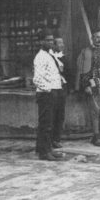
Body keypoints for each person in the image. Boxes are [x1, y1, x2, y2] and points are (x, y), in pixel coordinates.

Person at [77, 29, 100, 147]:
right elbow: (82, 70)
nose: (99, 40)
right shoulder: (85, 52)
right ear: (92, 38)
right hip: (92, 86)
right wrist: (86, 85)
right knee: (95, 113)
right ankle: (96, 137)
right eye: (97, 37)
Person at [33, 29, 65, 161]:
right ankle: (43, 152)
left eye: (52, 40)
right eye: (47, 40)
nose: (50, 42)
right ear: (41, 42)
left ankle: (48, 149)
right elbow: (37, 79)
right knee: (45, 124)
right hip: (46, 94)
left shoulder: (50, 55)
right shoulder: (40, 57)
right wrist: (50, 90)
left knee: (51, 123)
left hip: (54, 92)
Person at [49, 37, 68, 149]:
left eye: (62, 42)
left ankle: (56, 139)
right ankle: (50, 139)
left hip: (62, 90)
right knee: (52, 115)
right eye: (59, 43)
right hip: (52, 90)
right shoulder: (50, 58)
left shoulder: (64, 58)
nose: (62, 45)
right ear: (54, 45)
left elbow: (68, 72)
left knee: (60, 115)